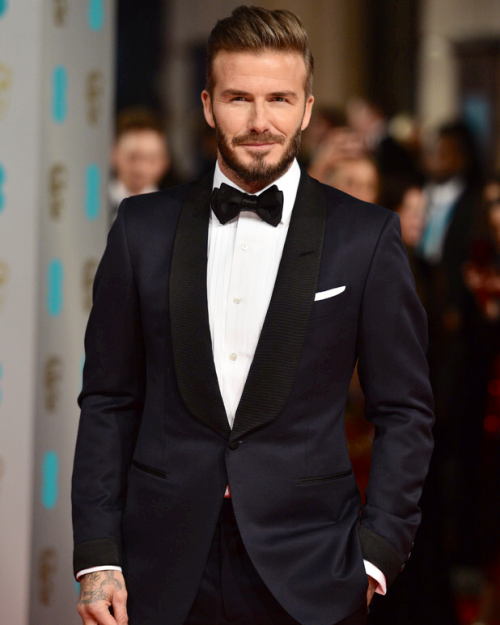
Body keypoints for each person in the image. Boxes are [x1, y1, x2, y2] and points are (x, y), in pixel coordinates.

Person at [72, 7, 434, 625]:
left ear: (308, 110)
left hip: (312, 568)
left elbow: (404, 409)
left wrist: (376, 553)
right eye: (240, 98)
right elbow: (108, 399)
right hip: (158, 570)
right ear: (209, 104)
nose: (261, 122)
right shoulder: (141, 228)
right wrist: (98, 556)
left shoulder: (365, 237)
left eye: (280, 99)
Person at [108, 107, 171, 226]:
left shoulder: (174, 214)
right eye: (133, 157)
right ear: (114, 155)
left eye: (151, 159)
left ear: (164, 162)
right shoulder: (92, 205)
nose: (141, 168)